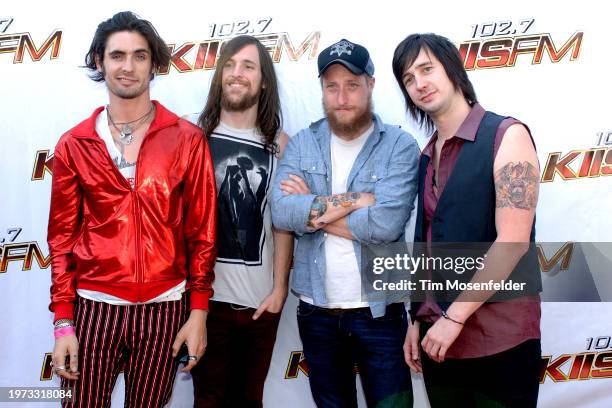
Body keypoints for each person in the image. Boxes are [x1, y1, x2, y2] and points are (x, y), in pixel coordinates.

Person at [47, 11, 216, 407]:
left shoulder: (187, 139)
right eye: (117, 55)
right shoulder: (75, 144)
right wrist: (63, 323)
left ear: (154, 64)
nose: (128, 66)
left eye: (140, 56)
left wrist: (199, 313)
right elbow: (61, 240)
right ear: (99, 62)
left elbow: (202, 233)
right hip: (92, 310)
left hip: (164, 310)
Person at [392, 33, 542, 407]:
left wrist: (454, 318)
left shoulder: (507, 136)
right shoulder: (428, 155)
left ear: (454, 70)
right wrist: (417, 317)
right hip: (439, 342)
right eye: (408, 78)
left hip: (500, 339)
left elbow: (511, 242)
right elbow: (426, 242)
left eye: (427, 69)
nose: (419, 83)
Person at [272, 38, 420, 407]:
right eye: (332, 86)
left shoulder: (400, 146)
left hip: (381, 314)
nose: (342, 97)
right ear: (321, 89)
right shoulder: (303, 143)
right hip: (317, 313)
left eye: (352, 85)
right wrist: (356, 200)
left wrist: (313, 212)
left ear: (371, 84)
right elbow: (283, 213)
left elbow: (385, 226)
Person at [189, 35, 293, 407]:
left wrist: (280, 289)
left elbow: (282, 224)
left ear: (263, 80)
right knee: (208, 400)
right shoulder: (194, 137)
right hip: (205, 305)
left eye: (248, 66)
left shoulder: (280, 145)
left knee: (250, 401)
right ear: (219, 77)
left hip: (259, 308)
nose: (237, 74)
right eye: (229, 65)